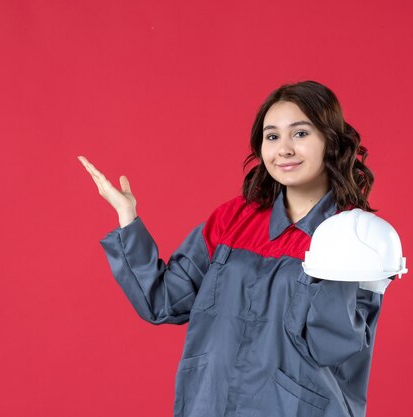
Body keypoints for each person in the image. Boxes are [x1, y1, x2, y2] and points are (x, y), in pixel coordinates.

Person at [78, 80, 386, 417]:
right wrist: (128, 217)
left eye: (300, 134)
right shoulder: (233, 219)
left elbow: (333, 347)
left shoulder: (354, 237)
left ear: (330, 141)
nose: (283, 149)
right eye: (272, 136)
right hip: (210, 405)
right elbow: (163, 301)